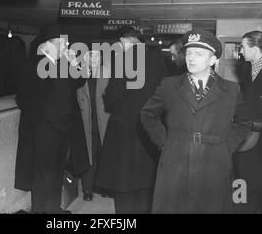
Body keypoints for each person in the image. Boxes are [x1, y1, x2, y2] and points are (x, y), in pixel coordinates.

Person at [140, 29, 250, 213]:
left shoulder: (231, 90)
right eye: (189, 53)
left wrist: (224, 147)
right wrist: (165, 144)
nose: (191, 58)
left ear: (213, 60)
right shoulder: (169, 85)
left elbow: (244, 122)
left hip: (214, 162)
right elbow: (147, 114)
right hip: (176, 160)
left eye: (199, 54)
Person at [14, 24, 88, 214]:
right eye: (62, 43)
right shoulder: (32, 65)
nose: (66, 47)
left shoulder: (63, 64)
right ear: (48, 44)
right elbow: (23, 97)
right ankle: (40, 211)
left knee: (57, 173)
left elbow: (80, 80)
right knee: (42, 176)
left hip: (64, 128)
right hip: (45, 130)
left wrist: (74, 63)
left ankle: (54, 211)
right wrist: (41, 121)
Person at [95, 26, 167, 214]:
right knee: (145, 180)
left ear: (124, 41)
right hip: (150, 125)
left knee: (123, 178)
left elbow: (113, 94)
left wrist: (108, 101)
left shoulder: (122, 59)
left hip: (124, 126)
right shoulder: (157, 58)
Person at [234, 31, 262, 213]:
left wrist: (256, 127)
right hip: (247, 130)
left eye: (243, 47)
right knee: (243, 178)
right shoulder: (247, 67)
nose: (240, 52)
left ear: (255, 48)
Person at [76, 50, 110, 201]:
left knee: (105, 156)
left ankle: (104, 187)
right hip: (86, 121)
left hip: (104, 120)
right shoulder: (79, 73)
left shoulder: (107, 72)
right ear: (86, 58)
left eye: (97, 56)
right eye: (91, 55)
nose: (94, 58)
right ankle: (87, 189)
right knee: (88, 157)